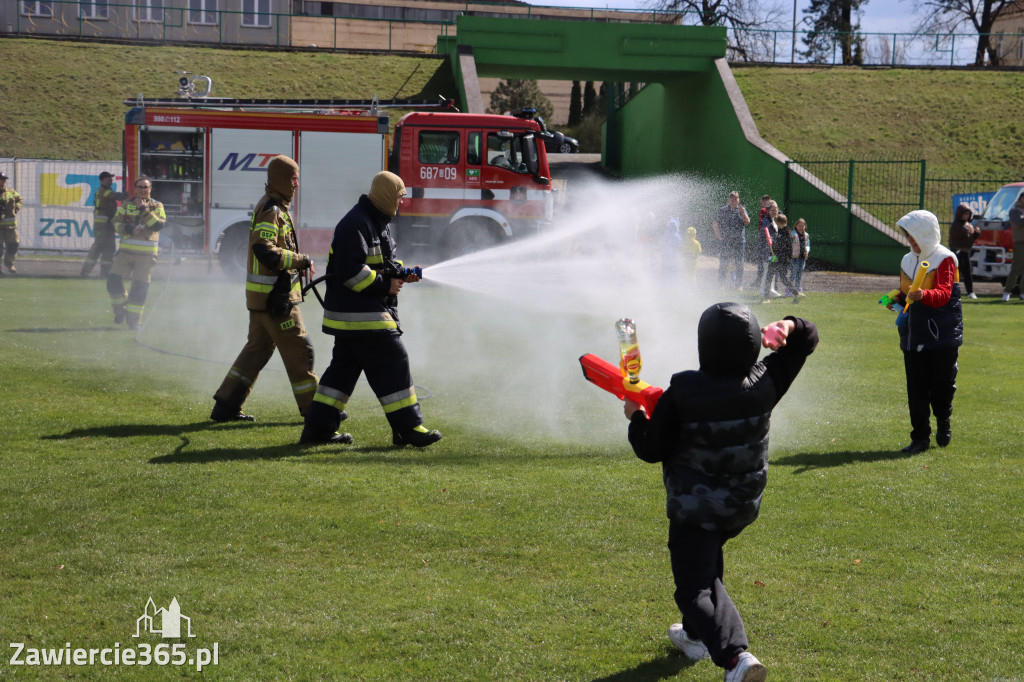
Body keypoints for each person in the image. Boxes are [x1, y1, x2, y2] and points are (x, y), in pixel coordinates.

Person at [624, 302, 818, 682]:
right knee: (706, 561)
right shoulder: (766, 381)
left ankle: (736, 658)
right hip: (741, 505)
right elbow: (807, 339)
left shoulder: (682, 392)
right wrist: (789, 325)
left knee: (694, 586)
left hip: (695, 510)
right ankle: (695, 636)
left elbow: (650, 448)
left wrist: (636, 418)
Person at [300, 171, 441, 447]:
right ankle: (408, 428)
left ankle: (317, 430)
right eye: (399, 198)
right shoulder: (355, 224)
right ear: (388, 196)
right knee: (393, 359)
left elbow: (383, 263)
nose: (401, 204)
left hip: (357, 312)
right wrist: (385, 286)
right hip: (361, 313)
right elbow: (350, 273)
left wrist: (401, 273)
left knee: (342, 372)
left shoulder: (376, 222)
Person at [211, 155, 318, 423]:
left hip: (264, 300)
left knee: (256, 351)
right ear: (282, 179)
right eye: (293, 178)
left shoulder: (276, 205)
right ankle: (318, 415)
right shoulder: (272, 209)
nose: (297, 184)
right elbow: (264, 249)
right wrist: (301, 260)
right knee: (301, 352)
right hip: (277, 302)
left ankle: (226, 406)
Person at [886, 210, 962, 454]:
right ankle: (919, 438)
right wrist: (895, 298)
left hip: (943, 335)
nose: (911, 240)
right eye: (908, 235)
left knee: (942, 385)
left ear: (927, 234)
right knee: (916, 388)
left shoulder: (945, 259)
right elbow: (906, 292)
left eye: (914, 235)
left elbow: (943, 294)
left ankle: (943, 420)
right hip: (913, 334)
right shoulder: (906, 260)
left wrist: (923, 295)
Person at [106, 175, 166, 329]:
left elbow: (158, 225)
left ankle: (134, 321)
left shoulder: (157, 205)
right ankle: (120, 311)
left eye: (146, 187)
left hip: (146, 255)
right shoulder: (126, 204)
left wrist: (144, 210)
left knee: (139, 287)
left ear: (150, 189)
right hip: (125, 252)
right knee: (113, 281)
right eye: (140, 187)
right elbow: (115, 222)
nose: (142, 190)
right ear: (135, 189)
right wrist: (128, 229)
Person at [82, 171, 128, 278]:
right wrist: (131, 193)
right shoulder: (104, 191)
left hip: (108, 225)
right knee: (98, 246)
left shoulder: (105, 190)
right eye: (108, 178)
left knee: (109, 248)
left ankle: (105, 272)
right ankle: (86, 271)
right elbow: (118, 196)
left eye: (111, 178)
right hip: (103, 225)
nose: (111, 180)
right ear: (102, 180)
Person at [711, 191, 750, 290]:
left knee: (739, 263)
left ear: (738, 199)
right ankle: (721, 284)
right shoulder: (723, 210)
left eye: (736, 198)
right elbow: (715, 223)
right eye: (732, 198)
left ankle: (738, 285)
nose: (734, 200)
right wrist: (719, 236)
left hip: (739, 241)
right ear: (729, 200)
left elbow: (747, 222)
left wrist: (742, 213)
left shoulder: (742, 210)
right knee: (723, 262)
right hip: (726, 240)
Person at [947, 204, 980, 300]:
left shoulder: (968, 224)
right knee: (955, 273)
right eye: (965, 214)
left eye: (968, 214)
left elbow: (970, 238)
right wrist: (970, 233)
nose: (967, 216)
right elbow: (958, 237)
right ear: (960, 214)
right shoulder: (956, 224)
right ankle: (950, 291)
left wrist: (976, 233)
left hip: (965, 251)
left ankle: (970, 292)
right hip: (957, 251)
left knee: (967, 273)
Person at [765, 212, 796, 300]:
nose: (777, 225)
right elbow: (777, 245)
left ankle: (795, 292)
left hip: (782, 259)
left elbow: (787, 249)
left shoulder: (788, 233)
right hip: (775, 257)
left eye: (777, 223)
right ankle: (766, 296)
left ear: (782, 223)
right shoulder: (780, 232)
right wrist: (772, 243)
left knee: (783, 278)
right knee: (769, 275)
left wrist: (779, 258)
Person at [1001, 192, 1024, 302]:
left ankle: (1023, 292)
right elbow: (1018, 222)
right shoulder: (1015, 211)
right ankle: (1007, 292)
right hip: (1020, 243)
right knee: (1016, 268)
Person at [0, 171, 24, 275]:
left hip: (10, 227)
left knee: (14, 245)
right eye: (2, 179)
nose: (3, 181)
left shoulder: (11, 192)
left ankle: (9, 264)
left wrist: (16, 209)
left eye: (4, 179)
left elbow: (20, 199)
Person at [754, 199, 779, 297]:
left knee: (771, 269)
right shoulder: (766, 221)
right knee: (767, 270)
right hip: (766, 250)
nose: (775, 211)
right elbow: (763, 235)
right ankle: (763, 290)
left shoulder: (774, 220)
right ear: (768, 210)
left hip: (773, 249)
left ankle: (771, 289)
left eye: (776, 209)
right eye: (772, 210)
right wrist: (770, 242)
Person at [789, 218, 810, 299]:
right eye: (799, 225)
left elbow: (808, 245)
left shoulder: (806, 235)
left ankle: (798, 291)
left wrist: (807, 252)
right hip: (794, 257)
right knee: (793, 274)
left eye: (803, 226)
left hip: (802, 258)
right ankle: (789, 291)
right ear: (796, 226)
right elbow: (790, 245)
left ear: (805, 226)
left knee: (799, 275)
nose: (801, 227)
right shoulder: (793, 234)